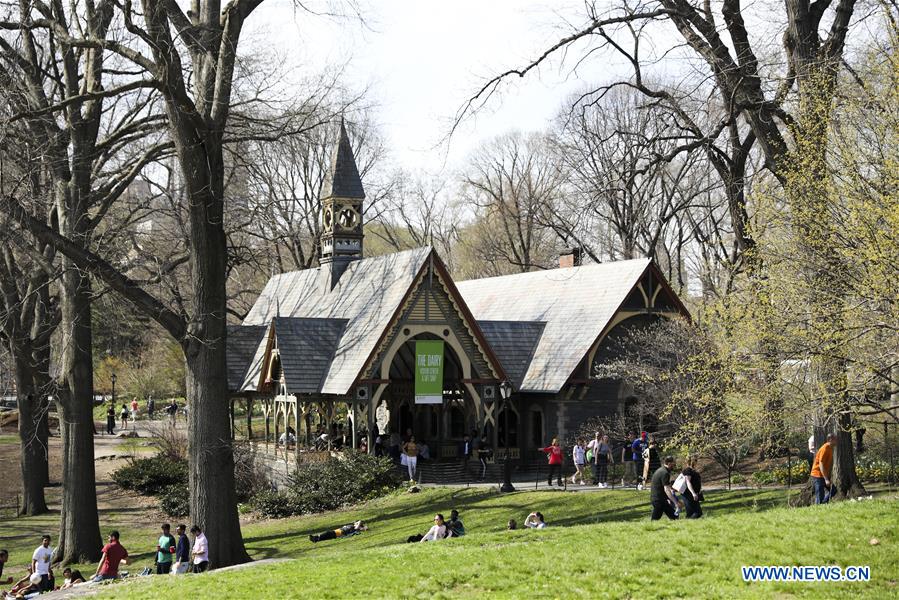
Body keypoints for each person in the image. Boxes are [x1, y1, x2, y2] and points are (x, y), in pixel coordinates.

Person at [810, 432, 837, 505]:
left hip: (824, 475)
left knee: (833, 490)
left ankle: (823, 504)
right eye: (835, 439)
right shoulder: (825, 448)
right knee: (820, 494)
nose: (837, 441)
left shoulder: (830, 449)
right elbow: (821, 464)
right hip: (817, 475)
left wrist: (828, 476)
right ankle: (819, 508)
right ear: (830, 439)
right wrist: (826, 479)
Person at [650, 456, 679, 520]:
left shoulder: (661, 470)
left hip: (660, 499)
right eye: (673, 464)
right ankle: (649, 529)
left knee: (674, 517)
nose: (674, 466)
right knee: (654, 520)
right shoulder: (665, 473)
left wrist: (667, 498)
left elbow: (663, 486)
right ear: (669, 463)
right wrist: (675, 502)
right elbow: (666, 489)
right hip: (659, 500)